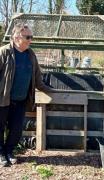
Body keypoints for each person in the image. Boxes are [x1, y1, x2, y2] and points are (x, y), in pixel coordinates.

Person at [0, 23, 57, 167]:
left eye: (31, 36)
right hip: (3, 99)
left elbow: (38, 79)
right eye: (28, 37)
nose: (31, 39)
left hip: (21, 100)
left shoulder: (30, 54)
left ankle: (9, 151)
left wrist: (51, 90)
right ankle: (1, 154)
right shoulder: (4, 52)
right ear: (17, 36)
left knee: (16, 130)